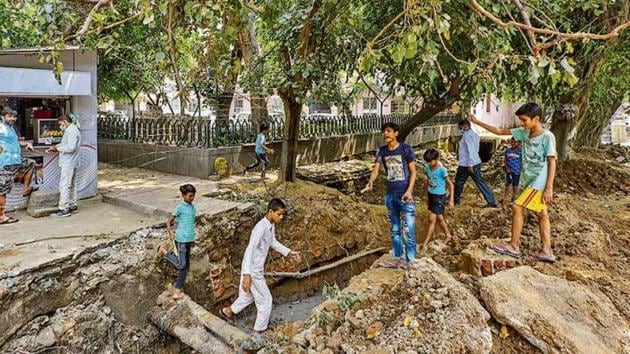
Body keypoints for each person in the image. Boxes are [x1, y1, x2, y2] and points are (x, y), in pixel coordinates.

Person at [467, 102, 557, 262]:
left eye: (524, 120)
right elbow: (500, 131)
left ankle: (514, 245)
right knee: (542, 214)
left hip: (538, 182)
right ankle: (547, 250)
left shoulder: (547, 137)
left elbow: (552, 161)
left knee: (517, 207)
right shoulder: (524, 133)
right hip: (526, 180)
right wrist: (476, 122)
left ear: (536, 119)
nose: (522, 123)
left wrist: (549, 187)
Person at [220, 198, 301, 334]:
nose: (281, 217)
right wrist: (247, 275)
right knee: (266, 301)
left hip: (255, 269)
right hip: (253, 271)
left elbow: (272, 242)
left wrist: (288, 252)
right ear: (270, 211)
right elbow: (249, 250)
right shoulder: (260, 228)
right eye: (279, 214)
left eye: (282, 214)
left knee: (248, 297)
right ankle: (258, 332)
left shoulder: (270, 225)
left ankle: (227, 311)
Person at [362, 122, 417, 267]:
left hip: (405, 195)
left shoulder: (406, 149)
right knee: (395, 230)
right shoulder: (382, 151)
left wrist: (409, 191)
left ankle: (411, 261)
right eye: (383, 131)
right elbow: (376, 170)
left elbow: (413, 172)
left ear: (396, 133)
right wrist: (371, 182)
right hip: (390, 195)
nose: (385, 134)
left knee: (408, 229)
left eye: (388, 131)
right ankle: (398, 258)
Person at [157, 184, 197, 299]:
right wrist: (171, 233)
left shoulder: (193, 207)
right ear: (184, 195)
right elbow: (169, 222)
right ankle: (164, 252)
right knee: (181, 264)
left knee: (185, 267)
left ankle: (177, 291)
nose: (192, 198)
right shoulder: (179, 207)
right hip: (181, 239)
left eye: (193, 196)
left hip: (189, 239)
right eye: (190, 196)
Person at [0, 108, 37, 225]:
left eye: (14, 117)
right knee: (2, 191)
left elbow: (14, 142)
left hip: (15, 162)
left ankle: (25, 188)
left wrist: (26, 143)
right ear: (3, 116)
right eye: (10, 116)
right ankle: (1, 217)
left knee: (31, 163)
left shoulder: (10, 128)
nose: (12, 119)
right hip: (5, 163)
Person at [454, 119, 498, 208]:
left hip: (466, 164)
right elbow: (475, 150)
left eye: (460, 128)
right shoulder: (475, 135)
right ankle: (491, 200)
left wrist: (470, 164)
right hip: (476, 162)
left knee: (459, 182)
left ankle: (455, 200)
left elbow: (471, 150)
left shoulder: (467, 136)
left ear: (465, 127)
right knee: (480, 181)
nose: (460, 130)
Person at [47, 114, 81, 218]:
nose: (60, 126)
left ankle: (64, 209)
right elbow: (66, 144)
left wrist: (57, 149)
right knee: (72, 184)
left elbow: (71, 148)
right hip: (72, 162)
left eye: (61, 124)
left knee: (65, 185)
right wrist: (56, 146)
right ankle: (72, 204)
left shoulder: (71, 131)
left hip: (69, 162)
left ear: (65, 121)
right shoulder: (73, 129)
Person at [422, 148, 455, 252]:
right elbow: (428, 181)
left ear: (436, 159)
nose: (429, 163)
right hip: (431, 195)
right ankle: (448, 235)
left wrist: (451, 200)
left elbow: (451, 185)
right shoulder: (427, 168)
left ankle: (425, 243)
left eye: (430, 161)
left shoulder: (442, 170)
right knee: (440, 218)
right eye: (427, 161)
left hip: (440, 197)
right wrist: (426, 196)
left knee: (432, 219)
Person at [503, 138, 522, 205]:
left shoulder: (521, 151)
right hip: (509, 171)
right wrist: (507, 168)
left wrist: (521, 170)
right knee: (508, 184)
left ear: (519, 143)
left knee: (515, 185)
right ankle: (506, 197)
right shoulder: (508, 150)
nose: (513, 143)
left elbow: (522, 162)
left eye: (515, 142)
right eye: (512, 142)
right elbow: (505, 160)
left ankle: (514, 197)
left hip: (517, 171)